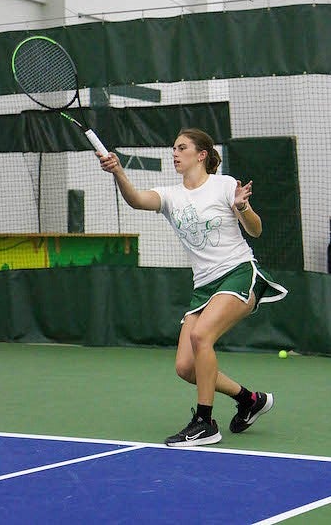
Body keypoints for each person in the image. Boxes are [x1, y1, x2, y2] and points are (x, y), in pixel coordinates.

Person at [97, 128, 288, 447]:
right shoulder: (170, 196)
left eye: (181, 148)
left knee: (201, 337)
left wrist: (242, 207)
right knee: (186, 367)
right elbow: (136, 201)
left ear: (201, 154)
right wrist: (118, 172)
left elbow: (255, 230)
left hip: (238, 273)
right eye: (173, 148)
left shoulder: (224, 185)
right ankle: (249, 400)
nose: (174, 153)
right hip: (204, 287)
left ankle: (205, 422)